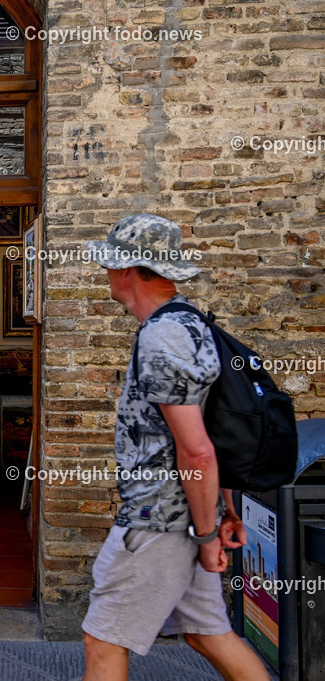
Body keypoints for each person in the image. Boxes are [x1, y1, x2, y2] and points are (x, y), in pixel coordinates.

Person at [81, 215, 268, 681]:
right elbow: (216, 429)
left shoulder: (162, 336)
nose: (106, 274)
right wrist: (225, 511)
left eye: (110, 265)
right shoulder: (190, 322)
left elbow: (197, 450)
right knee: (207, 633)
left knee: (103, 639)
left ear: (127, 270)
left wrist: (206, 537)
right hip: (189, 514)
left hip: (160, 520)